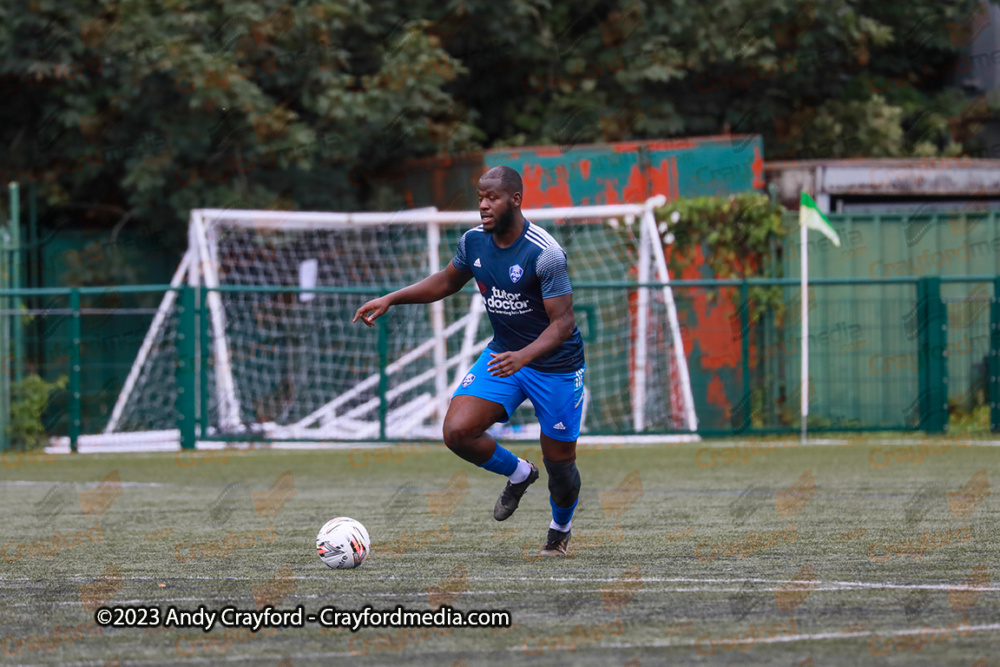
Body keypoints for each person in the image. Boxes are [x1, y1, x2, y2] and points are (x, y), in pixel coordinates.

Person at [353, 165, 586, 556]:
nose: (483, 205)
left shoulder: (545, 254)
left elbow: (562, 325)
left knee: (560, 464)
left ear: (515, 200)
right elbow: (445, 282)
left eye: (492, 197)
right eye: (479, 197)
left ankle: (558, 532)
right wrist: (391, 297)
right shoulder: (473, 242)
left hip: (553, 365)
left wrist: (524, 357)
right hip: (503, 355)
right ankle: (520, 473)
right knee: (457, 431)